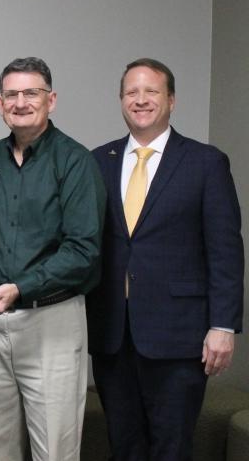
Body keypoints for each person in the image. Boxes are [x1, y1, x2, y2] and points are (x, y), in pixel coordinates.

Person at [87, 58, 244, 460]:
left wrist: (223, 325)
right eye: (131, 92)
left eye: (151, 91)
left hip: (180, 336)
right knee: (123, 445)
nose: (140, 100)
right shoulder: (96, 161)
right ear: (121, 100)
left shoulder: (205, 162)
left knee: (171, 447)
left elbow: (225, 250)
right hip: (112, 334)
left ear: (171, 100)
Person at [0, 57, 106, 460]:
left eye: (31, 93)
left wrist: (20, 288)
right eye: (11, 94)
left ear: (51, 100)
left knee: (54, 448)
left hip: (51, 322)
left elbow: (83, 251)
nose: (20, 102)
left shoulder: (75, 161)